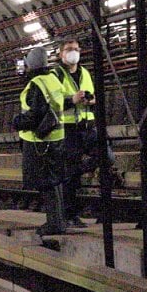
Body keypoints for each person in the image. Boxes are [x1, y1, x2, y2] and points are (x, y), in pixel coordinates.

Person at [18, 45, 69, 238]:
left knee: (45, 182)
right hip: (56, 138)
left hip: (40, 141)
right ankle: (58, 221)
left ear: (30, 65)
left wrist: (17, 122)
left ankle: (54, 224)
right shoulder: (53, 79)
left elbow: (34, 115)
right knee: (54, 182)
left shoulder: (36, 84)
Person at [53, 38, 97, 229]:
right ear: (61, 53)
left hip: (87, 125)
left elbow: (91, 94)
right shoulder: (56, 74)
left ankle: (75, 171)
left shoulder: (85, 72)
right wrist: (71, 99)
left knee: (106, 156)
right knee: (70, 174)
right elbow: (51, 102)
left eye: (77, 49)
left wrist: (91, 100)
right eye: (69, 49)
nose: (74, 53)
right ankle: (69, 215)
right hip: (68, 128)